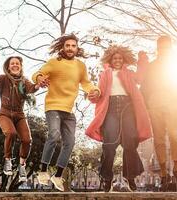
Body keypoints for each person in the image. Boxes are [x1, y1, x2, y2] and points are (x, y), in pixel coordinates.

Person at [32, 33, 100, 191]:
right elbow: (37, 74)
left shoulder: (80, 66)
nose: (70, 48)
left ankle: (58, 176)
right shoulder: (54, 62)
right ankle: (43, 171)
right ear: (62, 47)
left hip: (68, 111)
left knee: (70, 142)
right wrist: (40, 79)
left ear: (77, 48)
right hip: (53, 106)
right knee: (54, 135)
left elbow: (86, 83)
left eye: (73, 46)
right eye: (67, 45)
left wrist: (95, 90)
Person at [85, 45, 152, 192]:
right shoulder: (105, 74)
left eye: (120, 58)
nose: (117, 60)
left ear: (124, 60)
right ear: (110, 59)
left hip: (127, 107)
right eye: (115, 58)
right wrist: (94, 95)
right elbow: (99, 92)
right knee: (109, 144)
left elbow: (140, 78)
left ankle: (131, 176)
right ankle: (107, 178)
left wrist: (142, 61)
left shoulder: (129, 73)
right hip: (110, 108)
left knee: (130, 142)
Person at [0, 43, 40, 182]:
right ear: (8, 67)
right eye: (12, 63)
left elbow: (31, 88)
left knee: (27, 140)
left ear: (20, 67)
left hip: (20, 115)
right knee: (11, 133)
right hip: (5, 114)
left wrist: (39, 84)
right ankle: (8, 160)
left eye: (17, 64)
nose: (15, 65)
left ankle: (22, 165)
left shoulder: (23, 81)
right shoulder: (2, 80)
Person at [140, 36, 177, 190]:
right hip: (155, 103)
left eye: (167, 47)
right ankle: (164, 174)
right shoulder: (151, 66)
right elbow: (144, 87)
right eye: (161, 47)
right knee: (158, 138)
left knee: (174, 134)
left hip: (173, 101)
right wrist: (145, 105)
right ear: (158, 49)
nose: (164, 50)